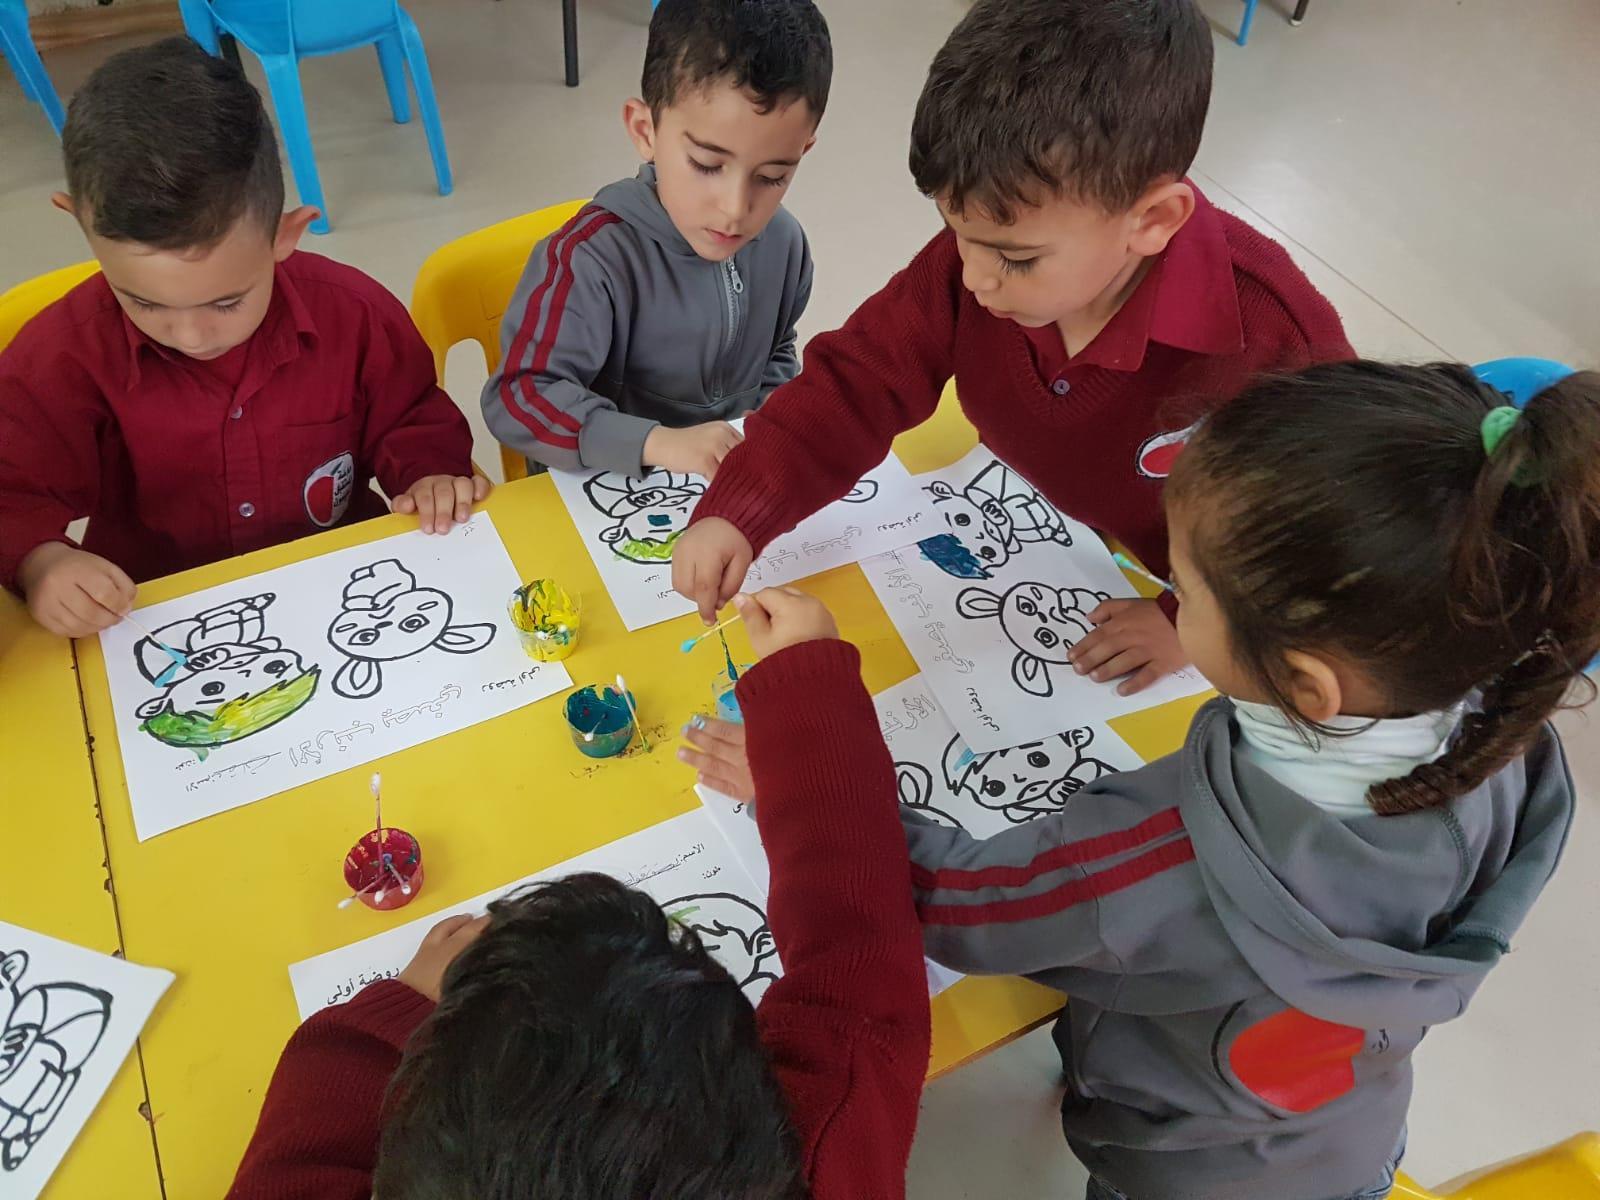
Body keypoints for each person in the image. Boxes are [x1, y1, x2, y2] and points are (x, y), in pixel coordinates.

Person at [891, 360, 1593, 1199]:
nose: (1167, 602)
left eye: (1184, 593)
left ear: (1304, 683)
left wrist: (814, 763)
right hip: (1341, 1141)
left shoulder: (1170, 858)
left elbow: (961, 907)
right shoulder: (1504, 739)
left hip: (1184, 1172)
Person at [670, 0, 1353, 694]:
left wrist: (1188, 621)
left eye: (1016, 258)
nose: (976, 277)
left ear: (1152, 220)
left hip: (1200, 600)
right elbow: (858, 381)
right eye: (958, 234)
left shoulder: (1277, 346)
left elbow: (1321, 539)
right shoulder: (982, 256)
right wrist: (742, 506)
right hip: (1045, 534)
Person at [226, 587, 931, 1200]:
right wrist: (806, 686)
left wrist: (390, 1017)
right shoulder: (831, 1150)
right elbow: (859, 938)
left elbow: (295, 1167)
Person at [0, 38, 484, 639]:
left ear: (287, 236)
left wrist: (430, 473)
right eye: (143, 301)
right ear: (79, 223)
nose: (191, 335)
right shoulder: (59, 357)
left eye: (226, 302)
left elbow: (411, 413)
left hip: (349, 594)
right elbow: (11, 490)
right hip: (157, 619)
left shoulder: (355, 315)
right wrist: (41, 562)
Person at [481, 0, 830, 480]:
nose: (735, 209)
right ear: (645, 131)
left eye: (771, 176)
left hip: (720, 489)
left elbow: (777, 349)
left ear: (802, 150)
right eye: (707, 165)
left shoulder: (785, 244)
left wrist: (771, 412)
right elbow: (519, 397)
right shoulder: (590, 260)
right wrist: (657, 444)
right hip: (606, 492)